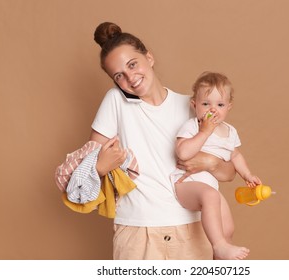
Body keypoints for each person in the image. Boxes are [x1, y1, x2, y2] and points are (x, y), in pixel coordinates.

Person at [59, 22, 237, 260]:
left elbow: (228, 172)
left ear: (149, 58)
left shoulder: (193, 106)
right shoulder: (115, 102)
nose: (131, 78)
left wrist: (210, 163)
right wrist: (101, 166)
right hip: (139, 232)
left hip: (194, 230)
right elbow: (91, 160)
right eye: (119, 75)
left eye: (133, 64)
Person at [171, 71, 262, 260]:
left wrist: (247, 175)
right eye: (206, 104)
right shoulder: (193, 126)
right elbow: (183, 152)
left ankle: (220, 256)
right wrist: (205, 131)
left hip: (209, 188)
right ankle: (219, 245)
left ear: (229, 107)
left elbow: (235, 155)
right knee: (211, 196)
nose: (213, 110)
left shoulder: (230, 131)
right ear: (194, 105)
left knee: (227, 227)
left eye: (220, 105)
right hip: (186, 184)